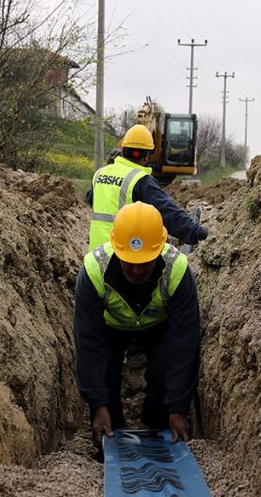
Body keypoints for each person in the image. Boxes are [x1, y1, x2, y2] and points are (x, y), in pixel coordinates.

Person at [74, 202, 200, 451]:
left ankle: (160, 426)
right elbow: (88, 343)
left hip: (158, 326)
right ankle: (111, 435)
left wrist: (177, 407)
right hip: (111, 328)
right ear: (116, 248)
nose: (137, 269)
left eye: (146, 262)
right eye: (129, 262)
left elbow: (185, 344)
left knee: (163, 374)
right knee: (107, 376)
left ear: (160, 249)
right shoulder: (93, 271)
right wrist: (97, 405)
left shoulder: (178, 270)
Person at [87, 123, 208, 251]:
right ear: (146, 157)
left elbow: (92, 198)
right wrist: (195, 231)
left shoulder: (99, 174)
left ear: (122, 150)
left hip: (95, 256)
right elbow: (168, 212)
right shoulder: (140, 180)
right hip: (123, 257)